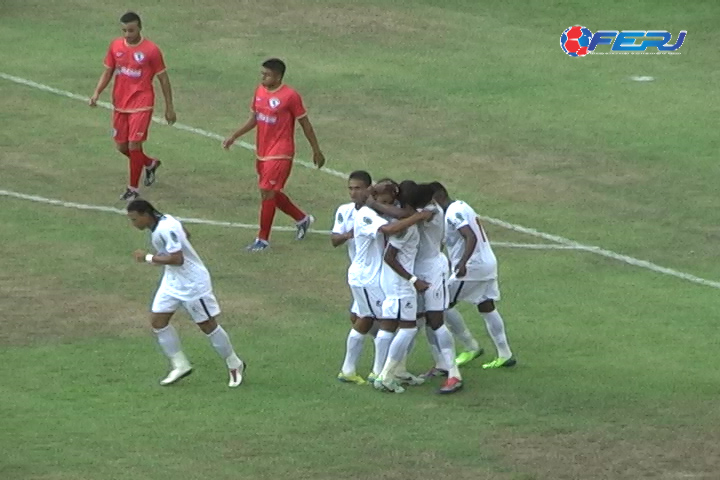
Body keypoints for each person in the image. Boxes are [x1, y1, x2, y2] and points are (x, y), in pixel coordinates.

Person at [126, 199, 246, 387]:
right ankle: (180, 365)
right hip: (172, 281)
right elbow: (186, 235)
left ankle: (234, 363)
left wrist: (148, 257)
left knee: (208, 326)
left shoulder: (165, 228)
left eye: (134, 219)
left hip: (192, 284)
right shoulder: (168, 221)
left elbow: (177, 259)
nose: (133, 224)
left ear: (145, 215)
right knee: (158, 321)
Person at [223, 58, 325, 251]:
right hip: (262, 150)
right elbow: (255, 118)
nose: (263, 77)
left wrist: (316, 150)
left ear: (278, 76)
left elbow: (305, 124)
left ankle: (262, 240)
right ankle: (302, 219)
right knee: (270, 192)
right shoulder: (260, 91)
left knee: (267, 192)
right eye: (262, 74)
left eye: (267, 75)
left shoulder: (290, 96)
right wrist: (234, 136)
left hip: (281, 151)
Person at [337, 181, 432, 386]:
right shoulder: (366, 214)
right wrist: (417, 216)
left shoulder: (372, 211)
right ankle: (379, 372)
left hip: (368, 276)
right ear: (374, 197)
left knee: (370, 320)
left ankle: (354, 369)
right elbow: (390, 229)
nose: (388, 205)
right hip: (368, 277)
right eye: (384, 201)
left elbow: (395, 216)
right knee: (382, 322)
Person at [90, 11, 175, 201]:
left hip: (142, 103)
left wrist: (169, 107)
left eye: (131, 30)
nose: (127, 34)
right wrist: (97, 92)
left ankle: (133, 189)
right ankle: (149, 163)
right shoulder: (116, 46)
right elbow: (108, 71)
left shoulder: (151, 50)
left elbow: (163, 79)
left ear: (140, 28)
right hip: (120, 103)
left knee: (134, 144)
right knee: (122, 147)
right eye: (124, 30)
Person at [431, 183, 516, 369]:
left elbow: (470, 236)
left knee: (441, 304)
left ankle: (470, 346)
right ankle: (505, 354)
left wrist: (462, 262)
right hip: (487, 264)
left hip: (472, 267)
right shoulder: (462, 206)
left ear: (437, 198)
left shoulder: (453, 212)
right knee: (486, 306)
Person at [331, 170, 373, 326]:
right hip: (358, 272)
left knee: (362, 319)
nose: (353, 193)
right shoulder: (344, 210)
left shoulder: (376, 212)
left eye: (358, 188)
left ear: (369, 189)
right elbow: (334, 240)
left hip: (374, 273)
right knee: (359, 318)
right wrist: (349, 234)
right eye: (351, 188)